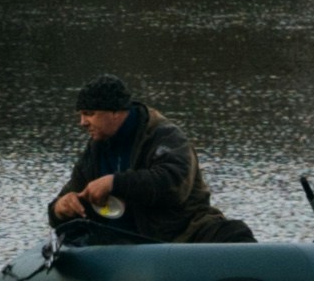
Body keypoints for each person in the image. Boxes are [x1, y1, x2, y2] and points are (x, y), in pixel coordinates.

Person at [44, 78, 244, 244]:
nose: (82, 123)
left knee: (234, 233)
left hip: (181, 236)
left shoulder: (164, 136)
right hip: (122, 245)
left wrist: (115, 183)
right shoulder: (95, 148)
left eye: (89, 114)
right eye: (80, 115)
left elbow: (173, 184)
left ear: (115, 112)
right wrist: (60, 208)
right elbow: (70, 195)